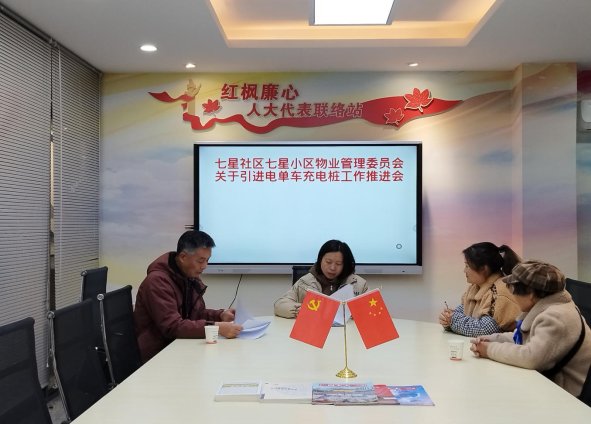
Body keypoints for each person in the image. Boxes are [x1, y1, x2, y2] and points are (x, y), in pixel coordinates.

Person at [470, 261, 591, 399]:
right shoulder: (548, 306)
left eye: (513, 290)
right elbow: (522, 338)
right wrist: (492, 339)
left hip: (566, 396)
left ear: (531, 294)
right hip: (548, 385)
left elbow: (530, 357)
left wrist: (489, 350)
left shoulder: (555, 318)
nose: (512, 295)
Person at [134, 230, 242, 362]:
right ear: (183, 257)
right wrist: (217, 328)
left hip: (179, 347)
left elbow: (196, 313)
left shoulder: (187, 276)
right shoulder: (157, 282)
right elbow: (173, 327)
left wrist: (220, 315)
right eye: (200, 261)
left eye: (207, 260)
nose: (204, 266)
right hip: (157, 356)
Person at [439, 242, 521, 337]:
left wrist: (453, 320)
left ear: (483, 268)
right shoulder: (474, 288)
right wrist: (447, 319)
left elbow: (486, 329)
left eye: (467, 266)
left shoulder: (500, 291)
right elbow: (460, 312)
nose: (464, 270)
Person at [274, 239, 368, 318]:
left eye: (338, 264)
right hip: (313, 331)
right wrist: (300, 310)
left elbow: (371, 311)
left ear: (345, 265)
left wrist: (359, 312)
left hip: (347, 333)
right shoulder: (305, 282)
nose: (332, 268)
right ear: (320, 260)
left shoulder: (359, 284)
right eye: (328, 262)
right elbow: (279, 305)